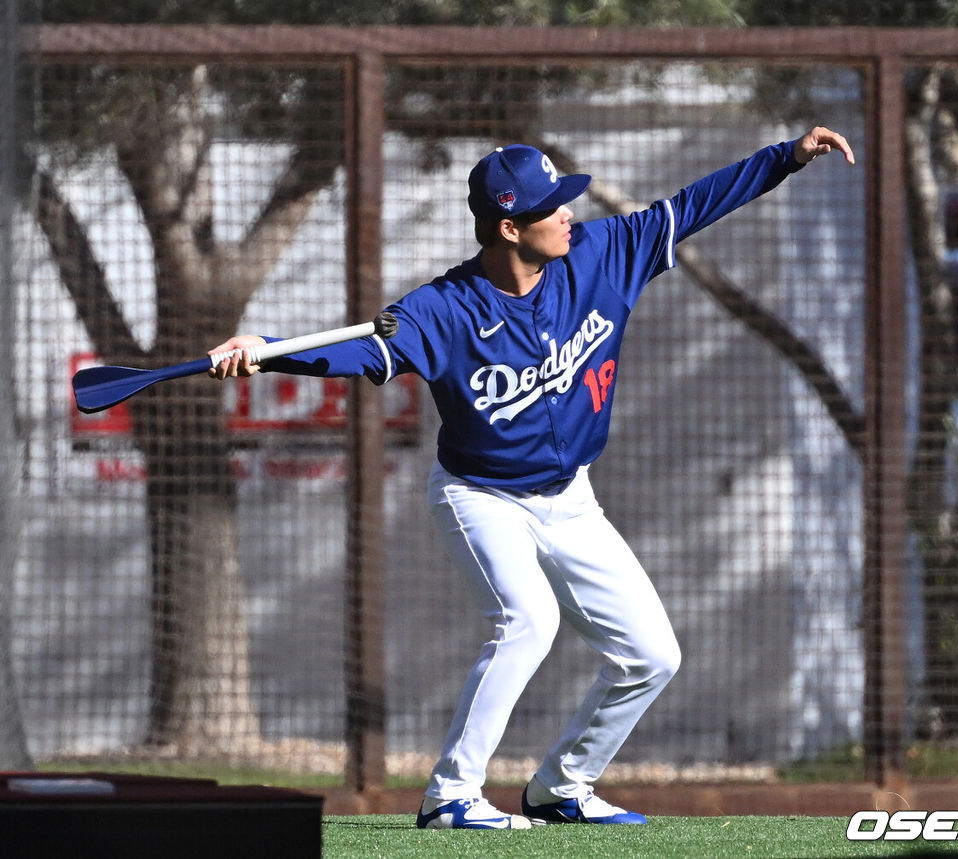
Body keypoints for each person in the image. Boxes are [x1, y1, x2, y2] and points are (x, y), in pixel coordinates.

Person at [209, 127, 855, 829]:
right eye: (552, 207)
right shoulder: (445, 308)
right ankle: (452, 793)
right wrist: (267, 352)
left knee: (651, 654)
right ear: (509, 226)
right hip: (480, 496)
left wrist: (784, 157)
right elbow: (360, 351)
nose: (568, 214)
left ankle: (562, 786)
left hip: (570, 499)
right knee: (527, 619)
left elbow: (693, 204)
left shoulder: (601, 253)